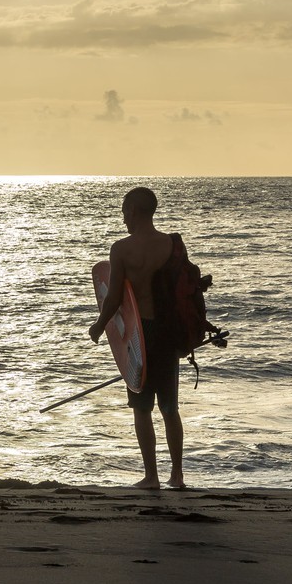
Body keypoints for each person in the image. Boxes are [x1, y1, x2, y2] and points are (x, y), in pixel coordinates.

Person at [89, 186, 185, 491]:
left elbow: (114, 297)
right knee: (170, 408)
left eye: (124, 211)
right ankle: (178, 476)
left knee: (142, 408)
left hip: (140, 334)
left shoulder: (122, 249)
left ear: (133, 211)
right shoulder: (171, 244)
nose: (123, 218)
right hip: (168, 333)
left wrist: (98, 326)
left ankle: (151, 477)